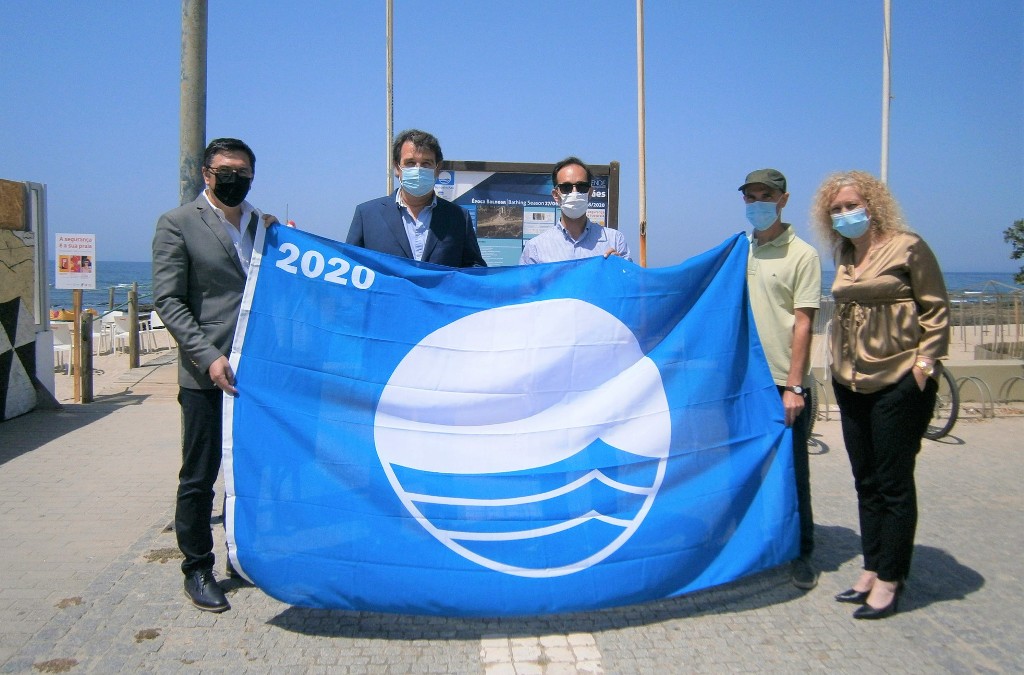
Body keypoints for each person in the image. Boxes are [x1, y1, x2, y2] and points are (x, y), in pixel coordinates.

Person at [810, 170, 949, 620]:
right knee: (865, 480)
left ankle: (892, 578)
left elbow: (936, 309)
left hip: (898, 382)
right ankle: (871, 568)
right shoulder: (845, 253)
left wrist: (923, 368)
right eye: (837, 209)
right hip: (851, 382)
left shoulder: (907, 246)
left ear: (872, 204)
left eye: (852, 205)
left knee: (893, 483)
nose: (846, 214)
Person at [152, 137, 265, 613]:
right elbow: (169, 300)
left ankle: (247, 557)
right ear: (207, 173)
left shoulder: (262, 224)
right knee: (200, 475)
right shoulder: (176, 224)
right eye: (226, 170)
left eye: (243, 172)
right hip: (207, 375)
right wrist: (207, 355)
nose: (234, 178)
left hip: (257, 374)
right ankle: (197, 567)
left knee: (256, 469)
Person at [740, 168, 821, 590]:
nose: (757, 204)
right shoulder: (742, 251)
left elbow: (804, 323)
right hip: (746, 383)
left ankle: (802, 552)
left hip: (782, 383)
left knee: (792, 471)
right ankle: (756, 544)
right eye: (750, 198)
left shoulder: (803, 255)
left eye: (764, 196)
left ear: (783, 200)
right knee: (750, 468)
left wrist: (794, 387)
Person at [347, 129, 486, 268]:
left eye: (426, 163)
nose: (418, 169)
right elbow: (349, 267)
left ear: (437, 169)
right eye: (410, 163)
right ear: (397, 168)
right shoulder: (366, 215)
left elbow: (474, 271)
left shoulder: (459, 218)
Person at [519, 157, 631, 264]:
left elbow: (630, 281)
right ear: (556, 195)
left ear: (590, 193)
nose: (574, 192)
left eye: (581, 186)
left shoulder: (615, 240)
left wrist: (619, 268)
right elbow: (525, 283)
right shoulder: (535, 248)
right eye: (566, 187)